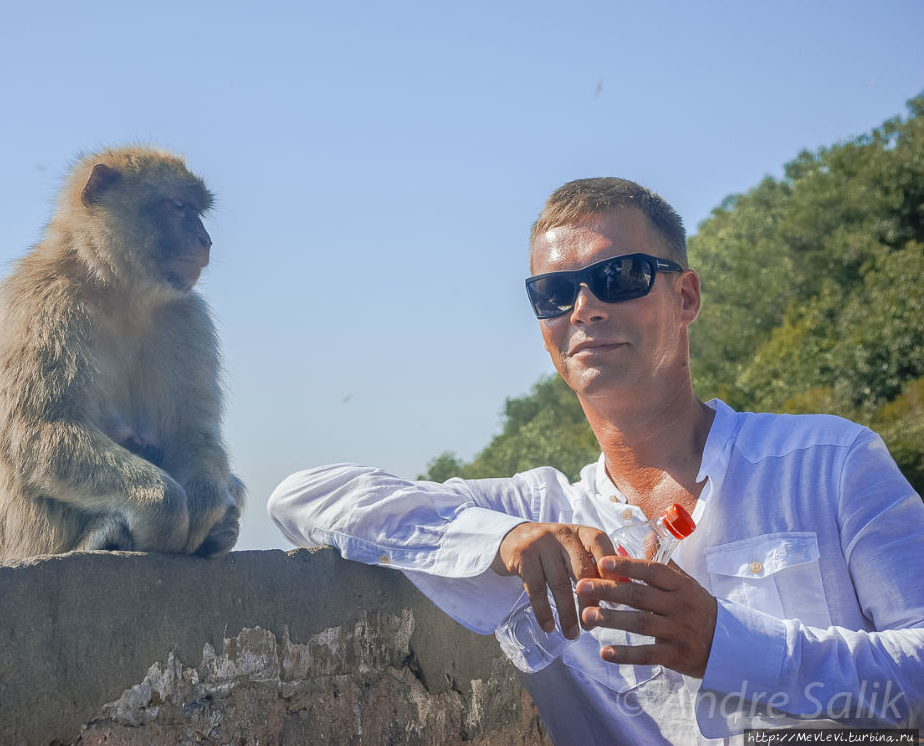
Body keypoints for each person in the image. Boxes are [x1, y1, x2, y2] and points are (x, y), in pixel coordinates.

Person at [267, 178, 924, 744]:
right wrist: (504, 538)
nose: (585, 306)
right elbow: (303, 496)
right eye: (554, 291)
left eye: (619, 276)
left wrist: (729, 644)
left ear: (687, 296)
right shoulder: (544, 514)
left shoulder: (831, 464)